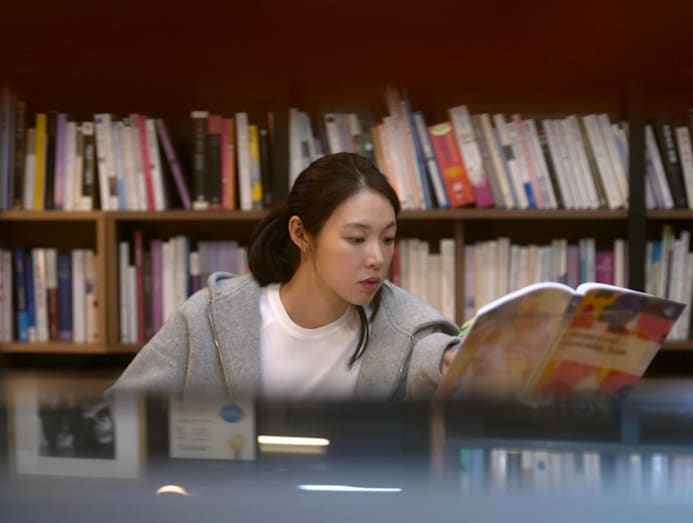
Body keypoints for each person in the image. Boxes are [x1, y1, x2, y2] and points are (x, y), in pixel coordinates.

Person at [111, 152, 460, 400]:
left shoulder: (408, 326)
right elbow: (115, 422)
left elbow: (432, 355)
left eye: (387, 238)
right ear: (301, 234)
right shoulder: (209, 316)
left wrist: (449, 362)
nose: (377, 258)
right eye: (356, 239)